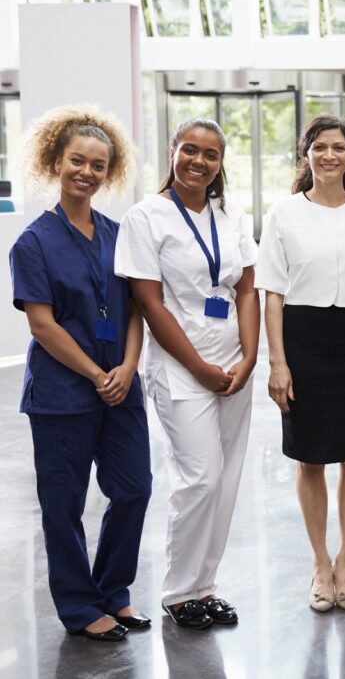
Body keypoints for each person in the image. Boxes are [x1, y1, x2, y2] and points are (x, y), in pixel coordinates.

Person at [10, 106, 151, 642]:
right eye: (76, 161)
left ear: (109, 171)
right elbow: (43, 326)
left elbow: (137, 309)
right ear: (55, 161)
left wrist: (128, 368)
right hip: (63, 393)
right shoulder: (32, 243)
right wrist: (98, 373)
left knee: (134, 488)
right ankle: (79, 606)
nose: (86, 172)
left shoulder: (121, 235)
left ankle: (114, 593)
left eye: (98, 164)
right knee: (64, 505)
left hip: (121, 386)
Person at [115, 118, 260, 630]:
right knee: (199, 477)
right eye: (190, 150)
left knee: (226, 479)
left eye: (211, 154)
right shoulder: (146, 217)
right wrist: (199, 367)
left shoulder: (230, 215)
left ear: (221, 164)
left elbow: (246, 289)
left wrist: (249, 357)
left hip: (233, 369)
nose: (199, 161)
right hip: (181, 369)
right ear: (173, 151)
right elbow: (148, 303)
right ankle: (178, 593)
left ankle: (205, 586)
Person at [256, 116, 345, 613]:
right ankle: (319, 563)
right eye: (319, 147)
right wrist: (278, 363)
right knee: (309, 455)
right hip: (303, 340)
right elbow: (271, 293)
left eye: (338, 147)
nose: (329, 155)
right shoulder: (284, 214)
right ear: (306, 155)